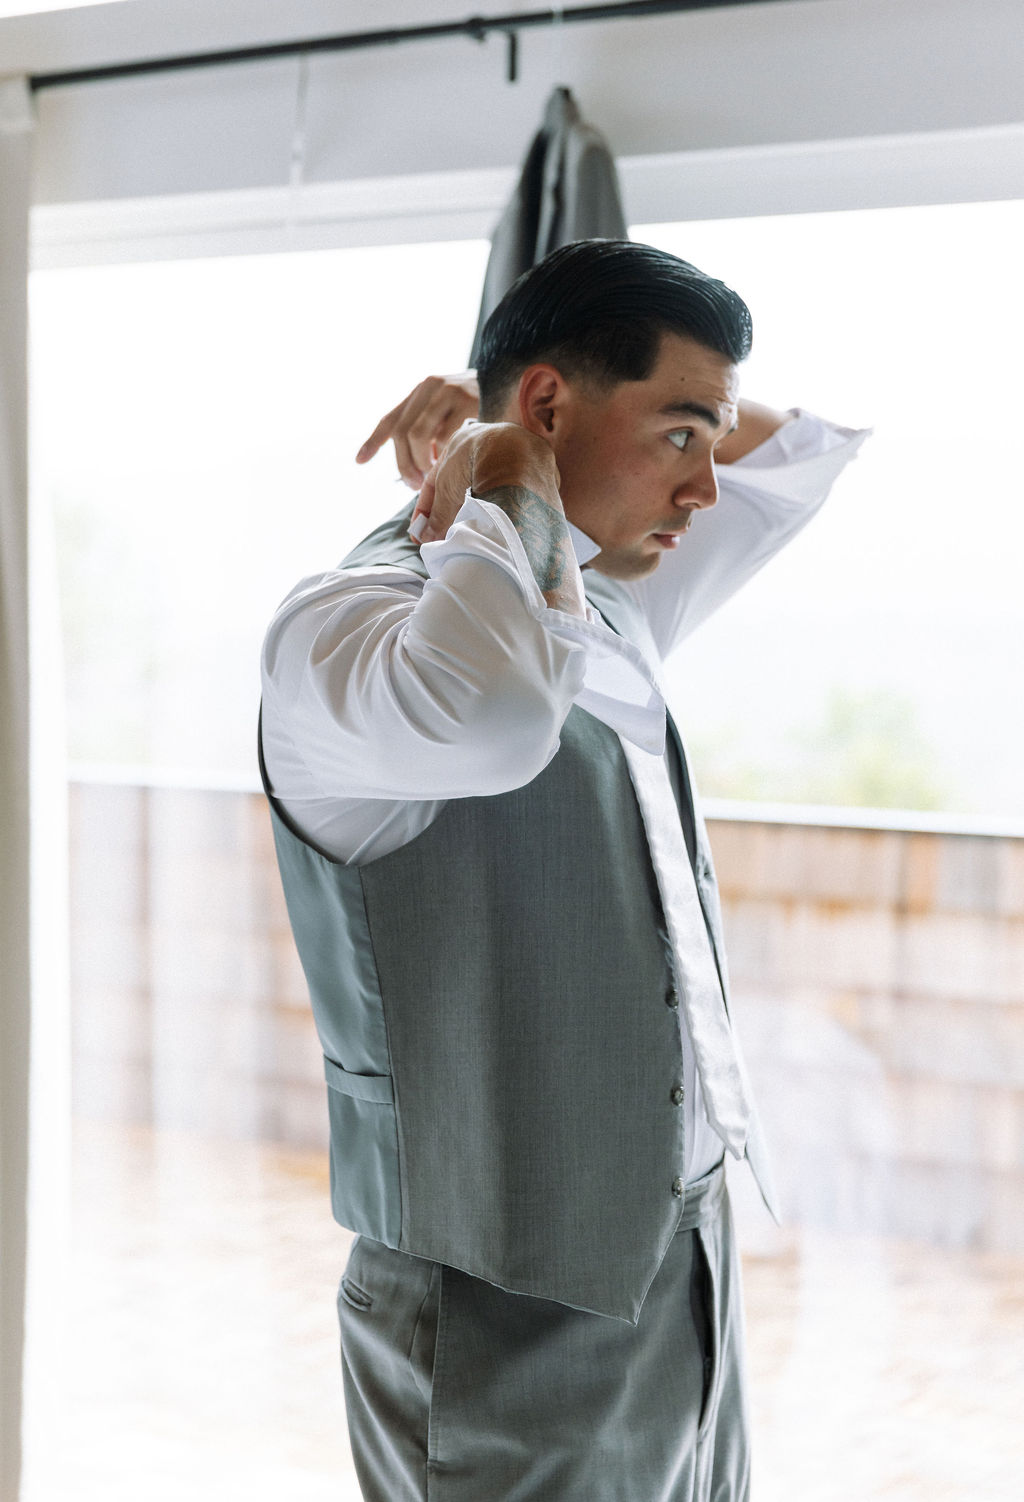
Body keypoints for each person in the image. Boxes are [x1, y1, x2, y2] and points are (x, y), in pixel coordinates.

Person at [259, 239, 867, 1501]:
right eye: (681, 435)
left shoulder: (616, 594)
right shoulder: (341, 627)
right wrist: (503, 469)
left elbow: (803, 452)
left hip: (685, 1254)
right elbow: (490, 713)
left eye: (702, 435)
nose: (704, 484)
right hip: (500, 1295)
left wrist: (515, 427)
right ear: (548, 407)